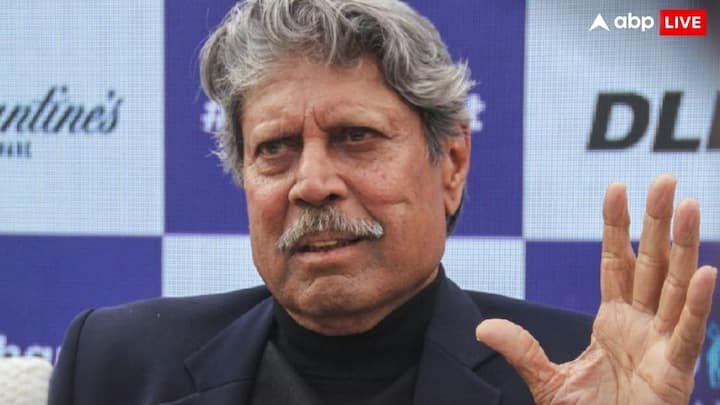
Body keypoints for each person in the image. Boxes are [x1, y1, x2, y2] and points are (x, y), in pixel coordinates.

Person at [48, 0, 716, 404]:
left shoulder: (577, 368)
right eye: (276, 147)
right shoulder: (115, 363)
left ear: (451, 162)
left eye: (356, 137)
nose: (312, 183)